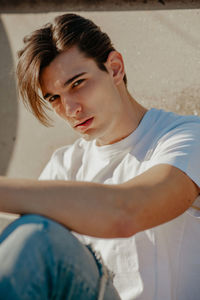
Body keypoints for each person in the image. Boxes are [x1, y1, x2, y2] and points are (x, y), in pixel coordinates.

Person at [0, 13, 200, 300]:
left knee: (38, 237)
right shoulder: (65, 164)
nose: (70, 109)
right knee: (27, 233)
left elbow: (127, 213)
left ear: (115, 69)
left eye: (78, 83)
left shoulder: (186, 137)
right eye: (54, 98)